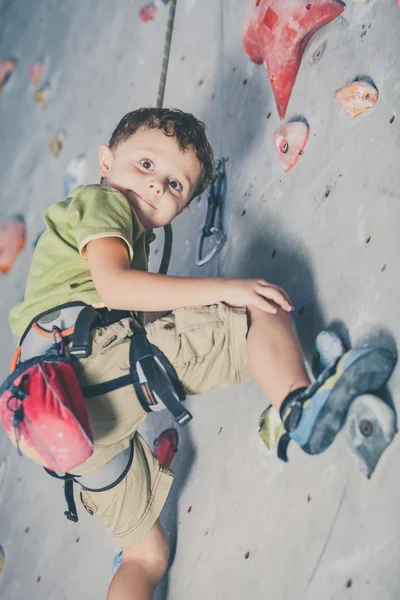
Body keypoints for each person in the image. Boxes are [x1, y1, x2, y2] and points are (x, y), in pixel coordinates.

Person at [9, 108, 396, 600]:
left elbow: (135, 312)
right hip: (88, 368)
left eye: (175, 186)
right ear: (106, 161)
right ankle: (299, 406)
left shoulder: (110, 234)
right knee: (258, 307)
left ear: (184, 207)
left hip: (63, 424)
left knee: (146, 558)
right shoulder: (102, 203)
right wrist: (229, 288)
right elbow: (116, 287)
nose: (155, 187)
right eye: (146, 165)